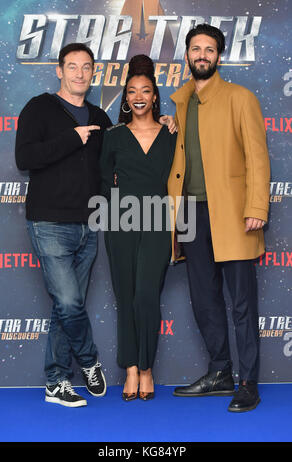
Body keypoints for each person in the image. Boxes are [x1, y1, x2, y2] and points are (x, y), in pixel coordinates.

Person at [168, 24, 270, 412]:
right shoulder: (181, 104)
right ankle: (219, 373)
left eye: (209, 50)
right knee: (204, 300)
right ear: (188, 56)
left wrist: (257, 208)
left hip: (232, 213)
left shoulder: (240, 97)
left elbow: (258, 157)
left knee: (242, 302)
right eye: (196, 49)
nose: (202, 55)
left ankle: (248, 382)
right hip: (191, 214)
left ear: (219, 56)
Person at [15, 43, 112, 407]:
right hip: (49, 223)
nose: (79, 73)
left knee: (63, 305)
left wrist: (166, 120)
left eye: (86, 67)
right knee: (70, 302)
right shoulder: (39, 108)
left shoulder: (101, 117)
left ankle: (56, 381)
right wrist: (71, 138)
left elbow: (113, 162)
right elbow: (24, 158)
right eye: (72, 67)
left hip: (89, 226)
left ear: (92, 72)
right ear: (59, 70)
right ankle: (88, 361)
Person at [100, 55, 176, 401]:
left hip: (159, 221)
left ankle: (147, 367)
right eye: (132, 91)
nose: (139, 96)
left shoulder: (171, 134)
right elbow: (103, 183)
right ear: (126, 98)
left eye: (145, 90)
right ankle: (130, 369)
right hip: (121, 223)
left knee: (147, 295)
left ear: (155, 96)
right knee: (126, 296)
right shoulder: (114, 136)